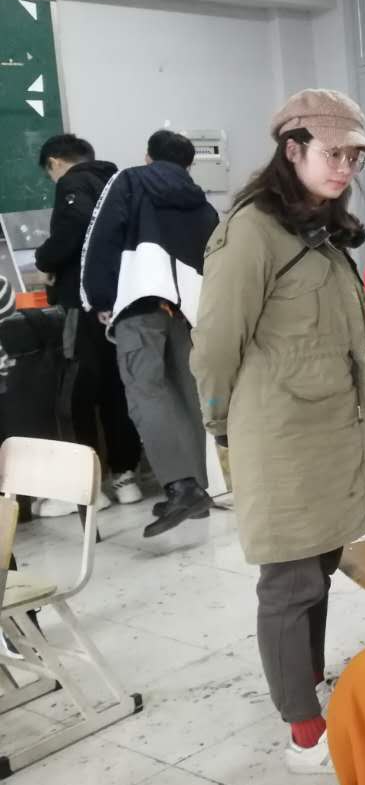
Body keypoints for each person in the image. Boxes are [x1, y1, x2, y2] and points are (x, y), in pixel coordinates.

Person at [192, 89, 365, 775]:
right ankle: (304, 730)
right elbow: (214, 345)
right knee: (288, 581)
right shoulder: (252, 231)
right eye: (332, 154)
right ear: (293, 149)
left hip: (331, 435)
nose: (344, 169)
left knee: (317, 571)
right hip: (280, 439)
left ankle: (306, 680)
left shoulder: (319, 229)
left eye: (353, 158)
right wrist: (222, 426)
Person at [81, 130, 218, 537]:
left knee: (146, 393)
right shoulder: (202, 203)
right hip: (186, 310)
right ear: (189, 164)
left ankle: (180, 487)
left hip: (139, 302)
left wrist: (99, 297)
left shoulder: (129, 181)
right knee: (185, 395)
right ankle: (198, 489)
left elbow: (101, 236)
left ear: (147, 156)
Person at [32, 134, 141, 516]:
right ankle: (126, 477)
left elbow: (74, 228)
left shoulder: (72, 183)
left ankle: (85, 487)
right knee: (115, 391)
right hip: (116, 303)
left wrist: (45, 260)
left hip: (81, 303)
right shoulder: (116, 182)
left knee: (76, 396)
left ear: (55, 163)